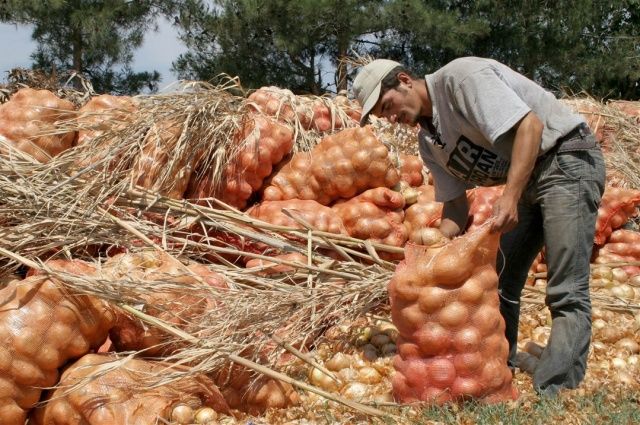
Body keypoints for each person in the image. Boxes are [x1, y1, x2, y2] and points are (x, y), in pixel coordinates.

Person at [352, 57, 605, 396]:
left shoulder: (460, 80)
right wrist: (428, 252)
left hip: (565, 158)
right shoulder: (430, 144)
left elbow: (530, 127)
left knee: (565, 288)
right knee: (498, 279)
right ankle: (497, 374)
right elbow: (456, 208)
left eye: (388, 106)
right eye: (384, 116)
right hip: (530, 177)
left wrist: (511, 195)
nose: (392, 118)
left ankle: (557, 389)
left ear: (404, 80)